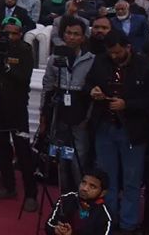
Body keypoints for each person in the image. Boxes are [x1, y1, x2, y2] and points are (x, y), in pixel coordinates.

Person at [86, 29, 149, 233]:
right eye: (111, 52)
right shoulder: (101, 61)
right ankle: (109, 221)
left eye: (118, 52)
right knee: (106, 179)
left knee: (131, 180)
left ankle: (128, 225)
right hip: (104, 126)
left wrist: (127, 104)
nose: (114, 56)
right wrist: (93, 90)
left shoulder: (144, 66)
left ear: (128, 47)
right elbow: (89, 82)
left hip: (132, 130)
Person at [0, 16, 38, 210]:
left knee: (23, 150)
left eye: (15, 33)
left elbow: (24, 78)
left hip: (17, 106)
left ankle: (31, 194)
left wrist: (5, 66)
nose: (11, 36)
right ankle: (9, 185)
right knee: (1, 146)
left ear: (20, 34)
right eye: (7, 33)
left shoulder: (25, 50)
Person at [40, 16, 94, 190]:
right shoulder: (54, 58)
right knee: (62, 160)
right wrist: (44, 114)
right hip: (59, 116)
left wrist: (89, 118)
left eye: (76, 34)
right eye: (68, 33)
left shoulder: (91, 60)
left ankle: (83, 200)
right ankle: (64, 203)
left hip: (81, 119)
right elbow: (47, 86)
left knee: (79, 161)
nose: (71, 37)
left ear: (83, 37)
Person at [44, 169, 112, 235]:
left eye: (92, 186)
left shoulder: (105, 217)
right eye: (83, 182)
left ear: (103, 193)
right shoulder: (66, 199)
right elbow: (49, 224)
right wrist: (56, 230)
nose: (85, 188)